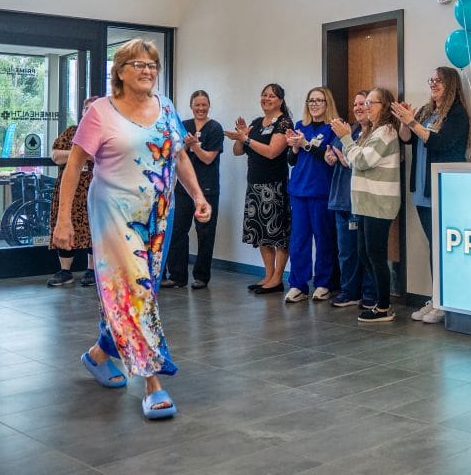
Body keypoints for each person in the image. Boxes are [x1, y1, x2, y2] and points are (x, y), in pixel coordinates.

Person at [52, 39, 211, 420]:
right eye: (137, 64)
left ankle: (98, 355)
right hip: (113, 214)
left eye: (152, 65)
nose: (147, 70)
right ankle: (152, 383)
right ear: (120, 71)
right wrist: (63, 219)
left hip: (159, 214)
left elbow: (179, 155)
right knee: (137, 293)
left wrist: (198, 194)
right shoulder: (101, 113)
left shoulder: (167, 107)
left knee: (137, 291)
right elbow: (74, 165)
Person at [392, 66, 470, 324]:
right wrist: (406, 122)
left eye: (439, 81)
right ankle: (436, 297)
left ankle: (445, 301)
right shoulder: (427, 112)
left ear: (451, 85)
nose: (434, 84)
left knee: (442, 246)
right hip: (422, 189)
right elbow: (407, 140)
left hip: (443, 188)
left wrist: (412, 123)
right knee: (432, 245)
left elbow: (438, 143)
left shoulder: (457, 114)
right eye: (432, 80)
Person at [334, 87, 401, 322]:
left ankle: (383, 307)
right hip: (365, 202)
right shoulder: (371, 132)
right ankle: (379, 303)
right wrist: (347, 145)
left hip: (379, 202)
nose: (366, 107)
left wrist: (344, 138)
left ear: (384, 106)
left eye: (372, 103)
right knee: (364, 254)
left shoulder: (386, 131)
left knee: (375, 254)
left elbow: (362, 160)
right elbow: (354, 160)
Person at [226, 84, 292, 295]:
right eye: (264, 95)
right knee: (261, 233)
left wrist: (247, 139)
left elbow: (273, 152)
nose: (266, 98)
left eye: (271, 96)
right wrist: (241, 136)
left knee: (277, 233)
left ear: (280, 100)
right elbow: (237, 151)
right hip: (255, 185)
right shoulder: (256, 122)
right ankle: (268, 275)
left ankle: (277, 278)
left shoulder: (284, 122)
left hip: (274, 186)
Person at [284, 86, 338, 303]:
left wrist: (305, 145)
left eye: (319, 100)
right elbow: (291, 160)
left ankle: (324, 283)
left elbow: (327, 156)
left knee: (323, 238)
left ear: (327, 103)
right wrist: (295, 148)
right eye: (311, 101)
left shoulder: (333, 128)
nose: (315, 105)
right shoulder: (300, 126)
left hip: (321, 190)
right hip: (298, 189)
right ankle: (298, 284)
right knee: (298, 240)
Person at [164, 90, 223, 289]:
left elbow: (208, 158)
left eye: (204, 105)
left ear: (209, 106)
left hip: (207, 188)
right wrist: (186, 147)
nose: (200, 108)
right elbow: (176, 155)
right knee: (178, 230)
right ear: (191, 106)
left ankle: (201, 277)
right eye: (197, 104)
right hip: (183, 188)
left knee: (205, 232)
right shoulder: (184, 126)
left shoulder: (215, 128)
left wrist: (194, 146)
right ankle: (177, 275)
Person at [324, 90, 376, 308]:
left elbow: (357, 161)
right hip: (342, 199)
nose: (358, 108)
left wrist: (345, 158)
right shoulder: (349, 130)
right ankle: (348, 291)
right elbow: (335, 154)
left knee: (366, 252)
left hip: (364, 201)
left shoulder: (376, 134)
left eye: (363, 103)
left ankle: (370, 294)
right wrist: (330, 157)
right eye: (355, 104)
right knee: (346, 251)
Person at [47, 96, 99, 288]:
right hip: (70, 191)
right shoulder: (71, 132)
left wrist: (79, 155)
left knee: (94, 228)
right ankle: (65, 271)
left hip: (96, 189)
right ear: (83, 112)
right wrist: (79, 154)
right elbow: (56, 155)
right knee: (66, 226)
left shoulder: (105, 134)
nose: (90, 113)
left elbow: (101, 158)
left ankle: (92, 270)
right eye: (87, 109)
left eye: (95, 109)